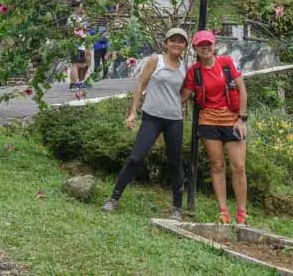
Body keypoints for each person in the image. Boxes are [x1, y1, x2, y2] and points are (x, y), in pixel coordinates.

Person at [102, 28, 189, 219]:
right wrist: (133, 112)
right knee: (136, 158)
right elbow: (141, 85)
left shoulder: (185, 67)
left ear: (185, 46)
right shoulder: (155, 60)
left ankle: (177, 208)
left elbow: (185, 93)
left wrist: (173, 104)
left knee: (175, 163)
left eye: (181, 41)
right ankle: (114, 198)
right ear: (166, 43)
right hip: (152, 117)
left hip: (174, 120)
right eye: (173, 40)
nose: (176, 44)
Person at [181, 30, 249, 224]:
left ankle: (242, 212)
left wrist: (242, 119)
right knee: (217, 165)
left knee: (238, 166)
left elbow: (242, 89)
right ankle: (223, 211)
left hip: (232, 119)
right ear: (195, 48)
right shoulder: (194, 71)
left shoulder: (226, 63)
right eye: (201, 44)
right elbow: (184, 96)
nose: (206, 47)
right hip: (209, 121)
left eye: (209, 44)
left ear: (214, 44)